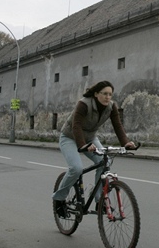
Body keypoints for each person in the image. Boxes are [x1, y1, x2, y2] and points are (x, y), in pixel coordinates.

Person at [52, 80, 136, 218]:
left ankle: (100, 201)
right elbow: (76, 125)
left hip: (90, 138)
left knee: (105, 162)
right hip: (70, 137)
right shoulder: (84, 103)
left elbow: (118, 126)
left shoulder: (111, 107)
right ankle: (59, 198)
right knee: (76, 168)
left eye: (110, 94)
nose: (107, 97)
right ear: (96, 94)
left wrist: (125, 143)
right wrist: (82, 145)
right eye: (104, 94)